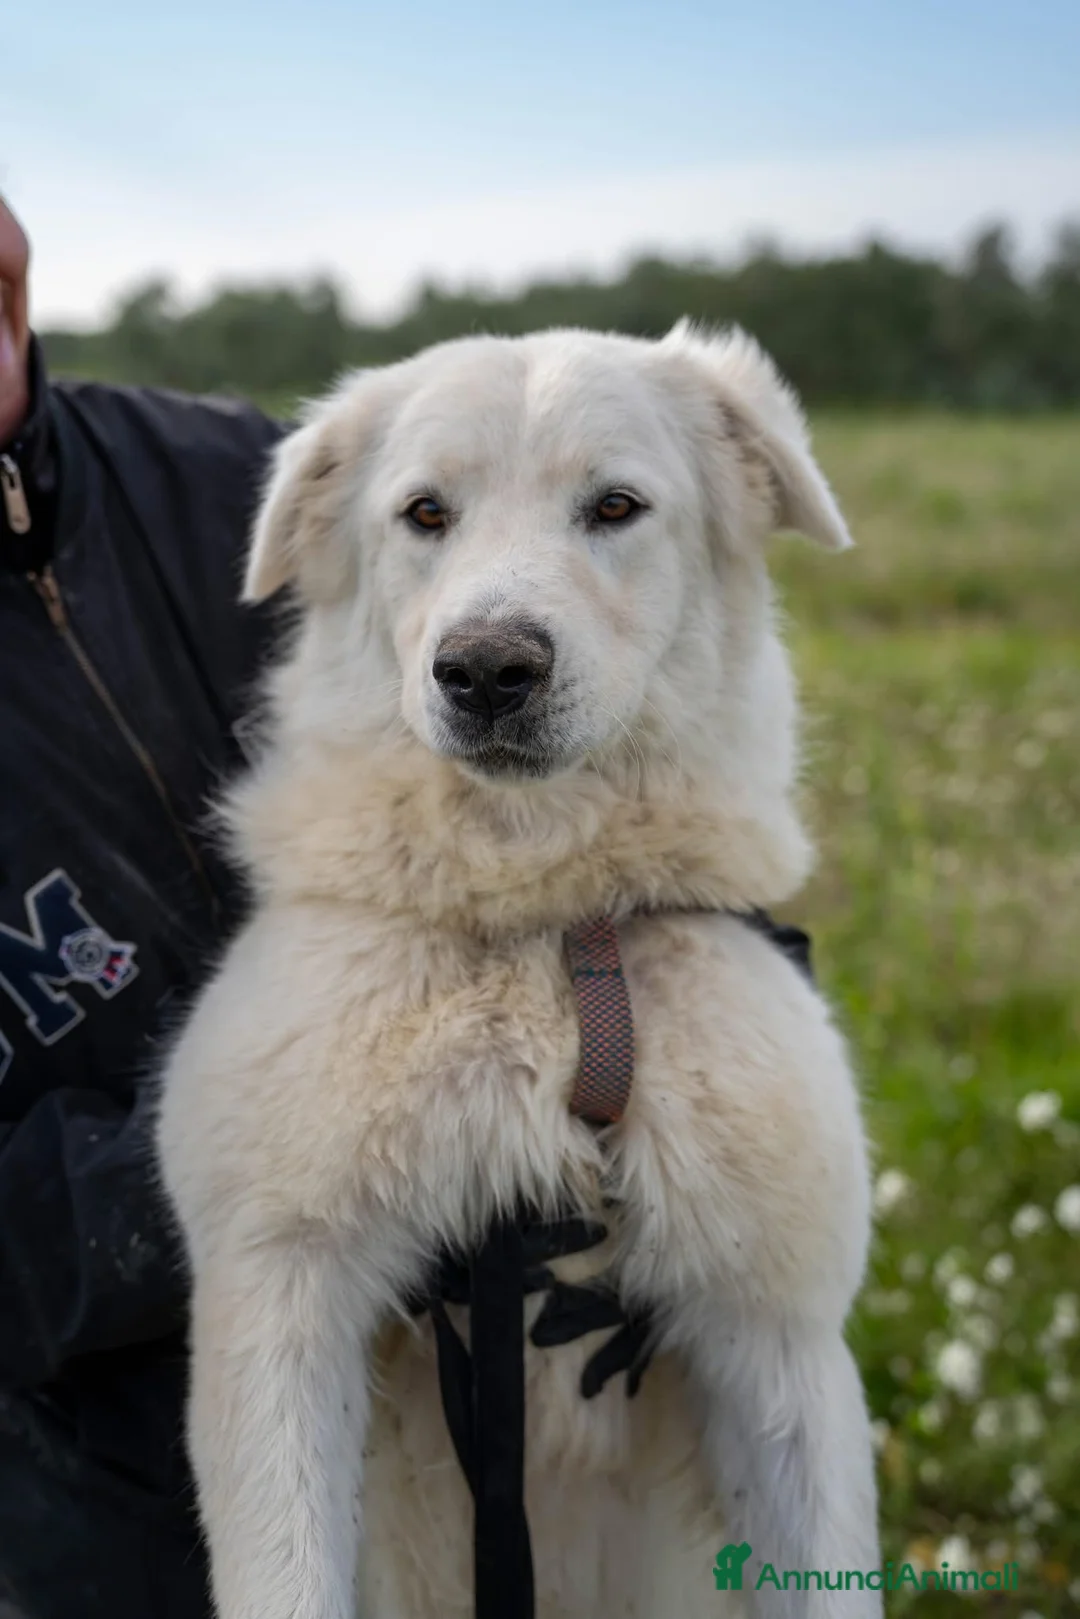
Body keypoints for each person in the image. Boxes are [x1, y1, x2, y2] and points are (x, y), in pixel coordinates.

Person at [0, 196, 285, 1619]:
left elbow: (617, 770)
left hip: (508, 1414)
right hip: (125, 1528)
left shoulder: (246, 481)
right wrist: (300, 1142)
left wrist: (694, 1002)